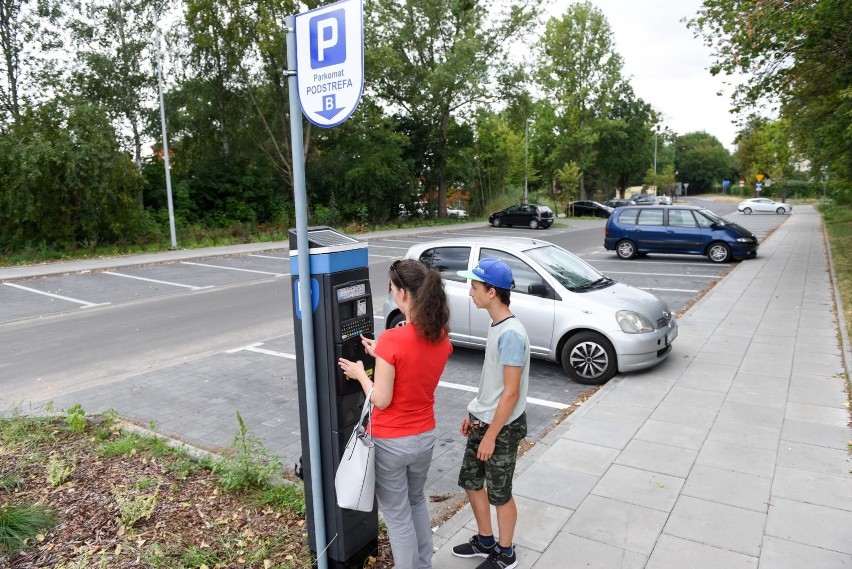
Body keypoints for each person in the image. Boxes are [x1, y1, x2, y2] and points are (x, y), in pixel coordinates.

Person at [338, 259, 452, 569]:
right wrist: (381, 354)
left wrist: (361, 374)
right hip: (425, 436)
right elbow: (412, 367)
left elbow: (382, 399)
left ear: (402, 293)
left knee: (398, 517)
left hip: (391, 441)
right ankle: (424, 564)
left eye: (390, 287)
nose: (390, 292)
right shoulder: (440, 336)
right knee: (417, 504)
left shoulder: (393, 339)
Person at [452, 258, 530, 569]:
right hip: (482, 420)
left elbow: (511, 393)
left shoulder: (511, 333)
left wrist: (491, 436)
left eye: (474, 286)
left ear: (492, 292)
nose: (470, 292)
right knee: (471, 482)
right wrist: (474, 412)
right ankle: (486, 541)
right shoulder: (496, 324)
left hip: (502, 427)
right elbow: (494, 382)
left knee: (500, 493)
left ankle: (506, 553)